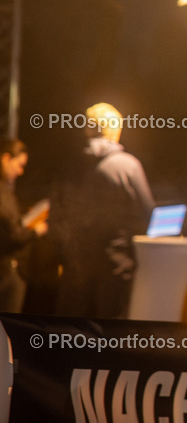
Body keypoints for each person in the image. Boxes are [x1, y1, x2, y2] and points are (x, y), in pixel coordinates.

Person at [50, 102, 155, 318]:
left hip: (75, 267)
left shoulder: (67, 166)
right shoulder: (128, 166)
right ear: (115, 130)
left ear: (88, 129)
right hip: (115, 268)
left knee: (72, 331)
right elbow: (149, 214)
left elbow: (55, 215)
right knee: (110, 332)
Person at [0, 139, 46, 313]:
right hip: (7, 271)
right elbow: (11, 233)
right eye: (19, 165)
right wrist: (35, 231)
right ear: (6, 158)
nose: (21, 171)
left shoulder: (6, 190)